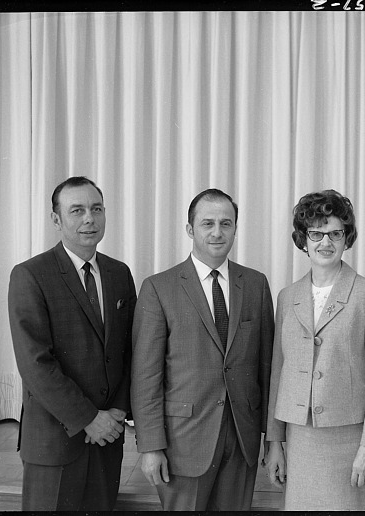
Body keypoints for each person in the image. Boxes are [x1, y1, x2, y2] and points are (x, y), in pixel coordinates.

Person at [130, 188, 275, 511]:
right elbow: (145, 376)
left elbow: (267, 367)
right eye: (207, 223)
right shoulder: (159, 288)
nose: (217, 232)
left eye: (226, 223)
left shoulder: (255, 284)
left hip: (241, 439)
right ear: (189, 229)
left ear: (236, 228)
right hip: (184, 441)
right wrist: (151, 446)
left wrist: (272, 437)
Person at [8, 176, 136, 511]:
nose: (89, 219)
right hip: (55, 442)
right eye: (76, 210)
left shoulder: (119, 273)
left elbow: (129, 352)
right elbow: (35, 363)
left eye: (96, 209)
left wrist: (118, 412)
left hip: (108, 439)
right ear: (56, 219)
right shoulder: (30, 275)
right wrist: (89, 418)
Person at [265, 189, 365, 510]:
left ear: (346, 238)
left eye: (335, 233)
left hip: (351, 440)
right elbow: (277, 372)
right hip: (300, 439)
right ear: (303, 239)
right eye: (316, 233)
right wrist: (274, 442)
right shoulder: (287, 297)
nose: (326, 242)